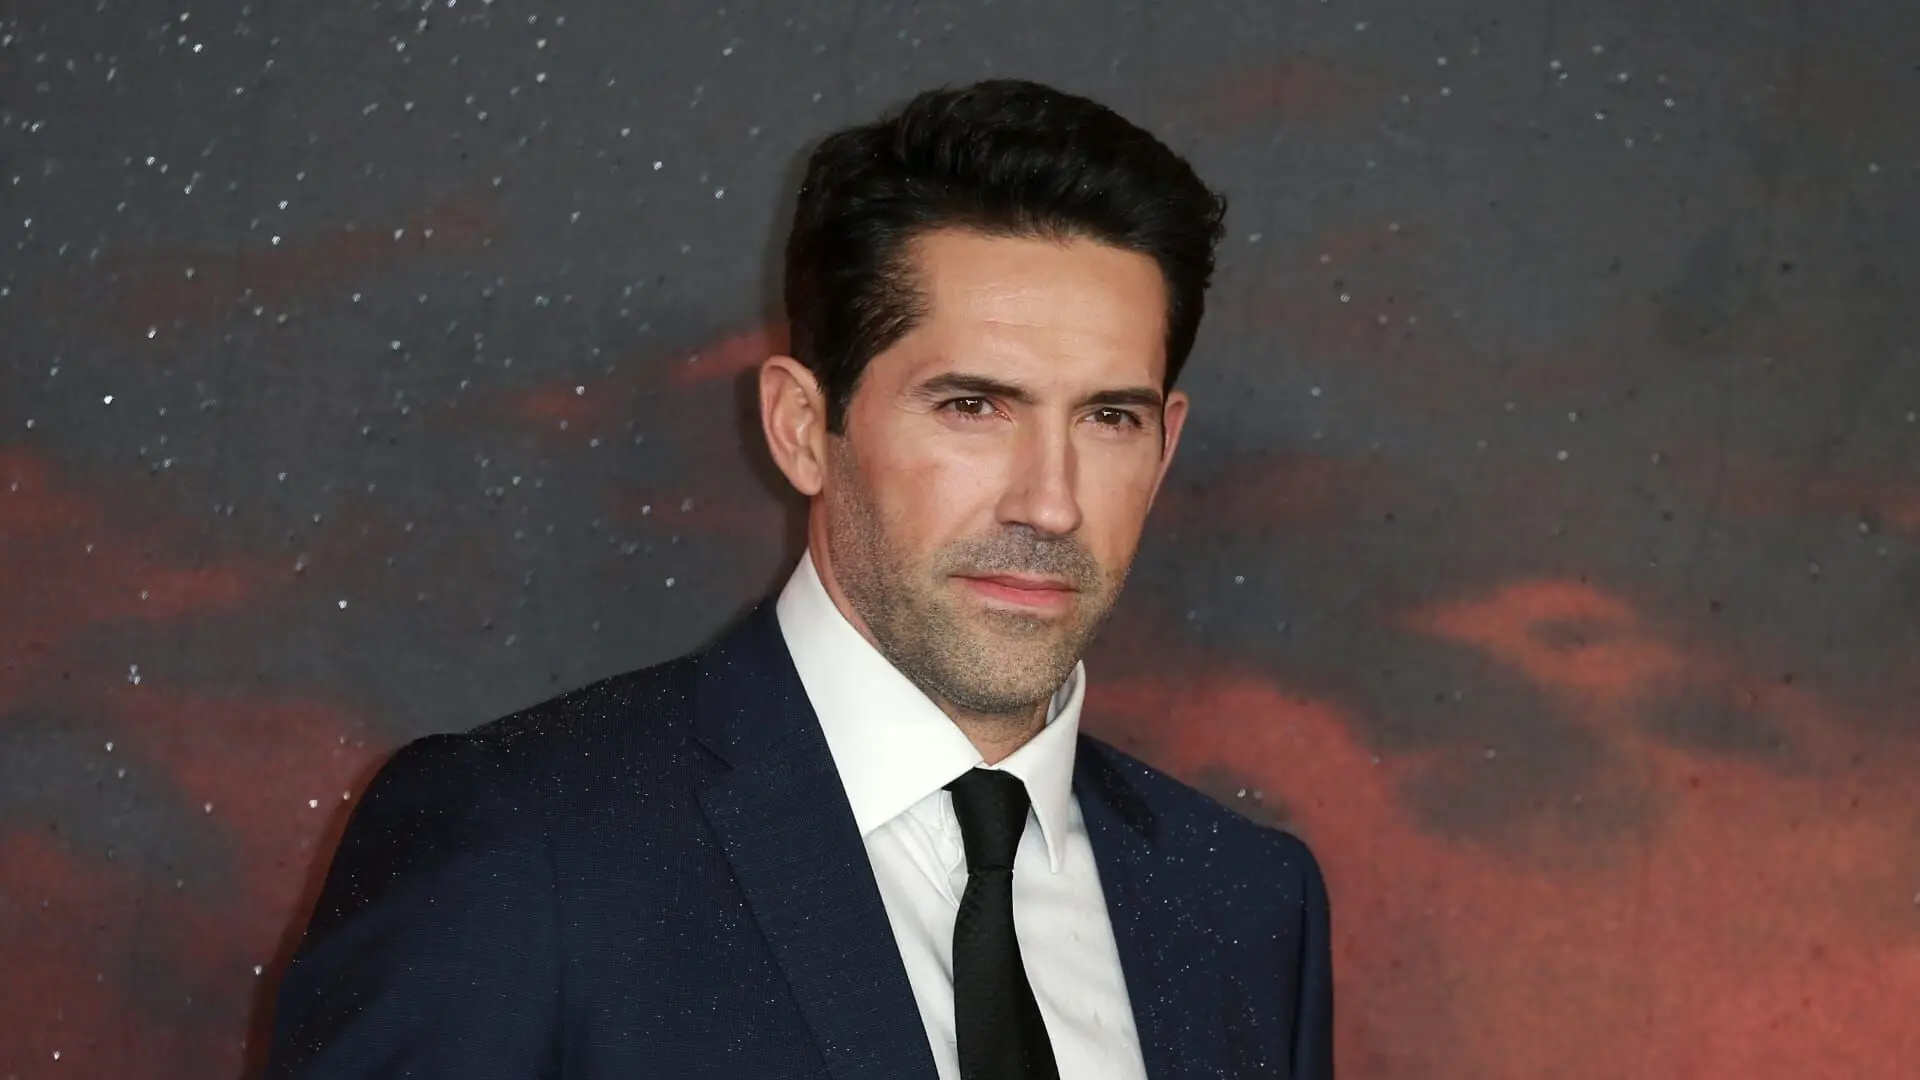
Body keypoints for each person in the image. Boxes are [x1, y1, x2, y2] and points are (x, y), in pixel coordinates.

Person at [264, 78, 1334, 1080]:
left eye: (1108, 418)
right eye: (972, 407)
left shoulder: (1248, 904)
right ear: (800, 427)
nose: (1049, 503)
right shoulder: (521, 843)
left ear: (1165, 446)